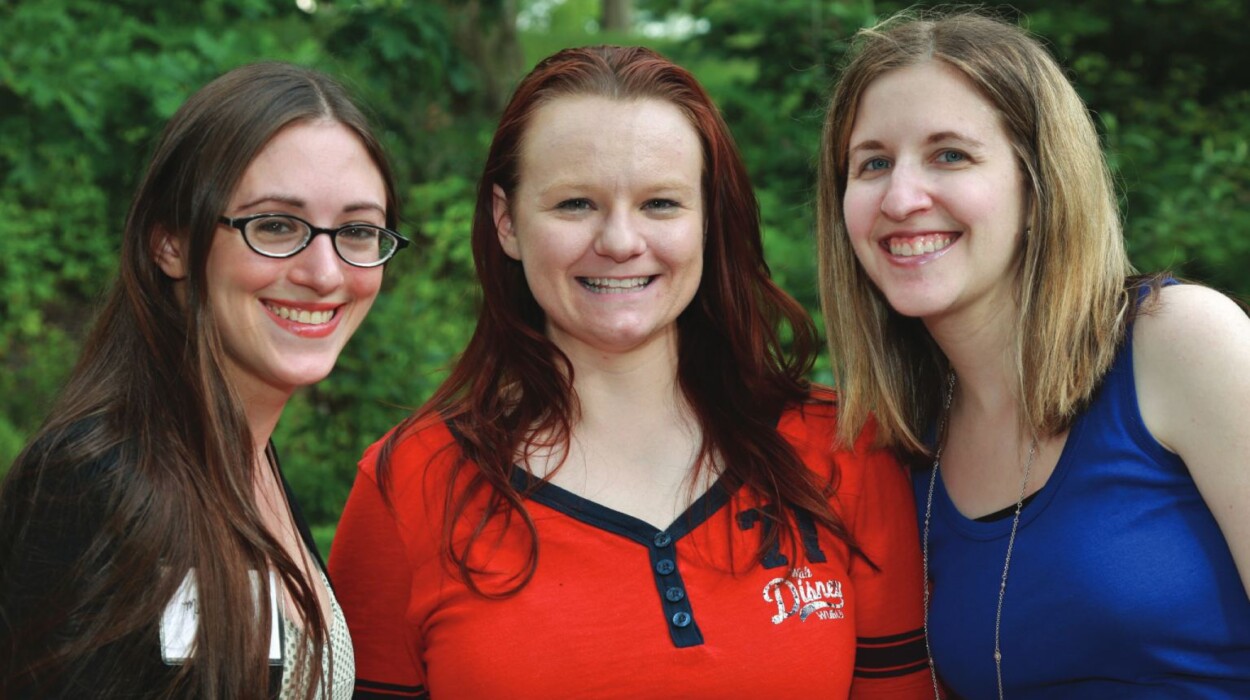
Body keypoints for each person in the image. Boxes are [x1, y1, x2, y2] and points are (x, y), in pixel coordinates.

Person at [329, 45, 931, 699]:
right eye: (575, 204)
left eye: (660, 204)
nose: (619, 242)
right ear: (507, 221)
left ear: (709, 219)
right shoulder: (407, 487)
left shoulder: (842, 453)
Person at [816, 8, 1250, 699]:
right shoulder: (900, 441)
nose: (900, 197)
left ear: (1038, 182)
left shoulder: (1181, 344)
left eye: (949, 154)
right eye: (872, 163)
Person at [0, 62, 409, 699]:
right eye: (276, 224)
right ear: (169, 242)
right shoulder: (94, 481)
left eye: (356, 231)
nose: (325, 272)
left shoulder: (252, 465)